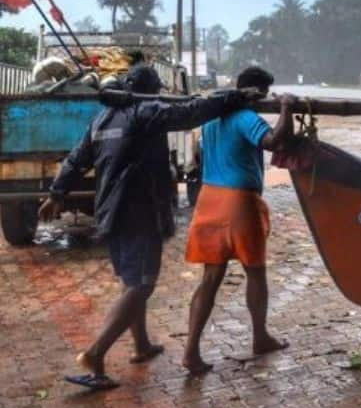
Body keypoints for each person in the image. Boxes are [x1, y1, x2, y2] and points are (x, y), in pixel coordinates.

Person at [37, 65, 255, 390]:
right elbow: (191, 112)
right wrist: (235, 96)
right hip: (139, 210)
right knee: (141, 285)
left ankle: (141, 346)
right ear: (151, 90)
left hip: (110, 210)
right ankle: (95, 355)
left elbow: (76, 160)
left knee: (131, 281)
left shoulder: (102, 120)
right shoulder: (145, 111)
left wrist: (57, 194)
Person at [182, 67, 296, 375]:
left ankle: (191, 350)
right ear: (255, 92)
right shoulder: (246, 117)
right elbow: (273, 141)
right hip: (238, 202)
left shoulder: (210, 118)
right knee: (255, 272)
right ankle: (260, 336)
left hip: (208, 199)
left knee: (210, 278)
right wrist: (286, 107)